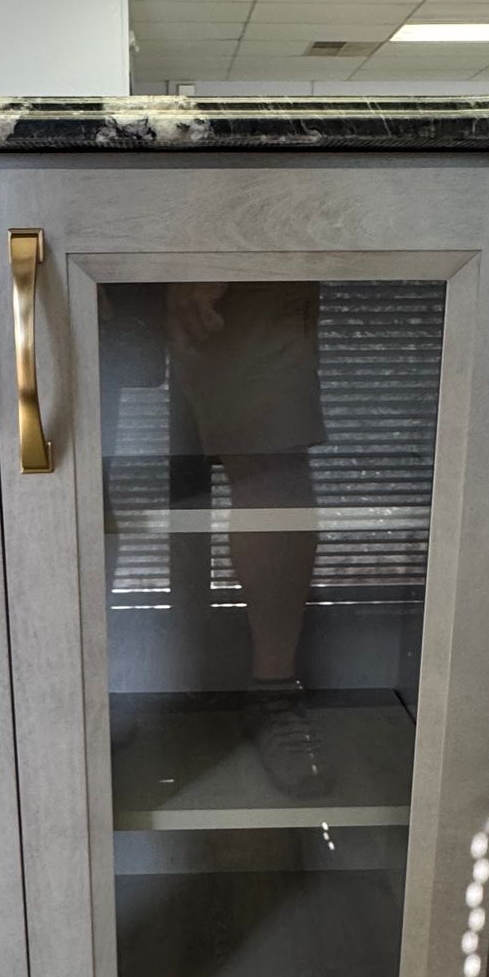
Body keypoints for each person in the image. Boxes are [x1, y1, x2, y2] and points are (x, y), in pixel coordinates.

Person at [165, 280, 332, 797]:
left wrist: (210, 255)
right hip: (64, 222)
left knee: (269, 458)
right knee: (64, 467)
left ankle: (273, 695)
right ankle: (76, 695)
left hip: (237, 233)